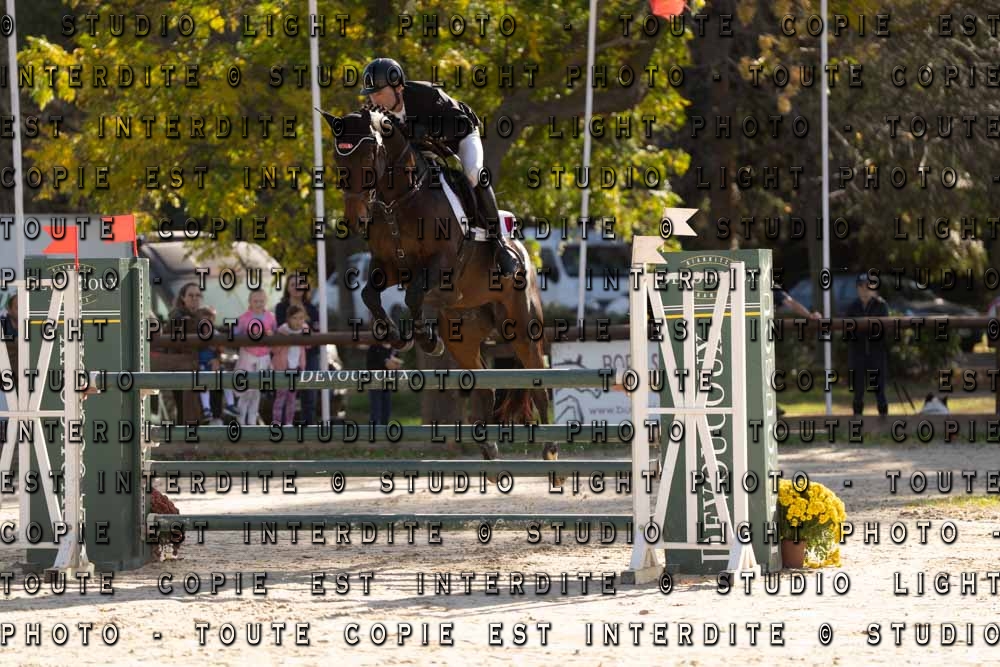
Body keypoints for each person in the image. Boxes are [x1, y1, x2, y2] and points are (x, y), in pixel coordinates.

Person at [359, 57, 521, 277]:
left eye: (378, 92)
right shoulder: (376, 113)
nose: (373, 99)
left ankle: (499, 245)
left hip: (459, 137)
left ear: (398, 87)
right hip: (426, 151)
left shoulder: (426, 95)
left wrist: (428, 129)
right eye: (370, 94)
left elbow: (459, 123)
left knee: (474, 173)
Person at [275, 276, 320, 424]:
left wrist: (305, 331)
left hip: (309, 355)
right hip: (286, 357)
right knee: (283, 394)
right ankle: (282, 427)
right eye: (293, 284)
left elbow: (315, 332)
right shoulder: (281, 307)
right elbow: (283, 329)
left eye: (300, 284)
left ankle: (308, 429)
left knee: (309, 394)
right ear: (287, 287)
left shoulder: (312, 308)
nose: (296, 287)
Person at [845, 273, 890, 417]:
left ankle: (884, 421)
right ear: (857, 289)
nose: (864, 290)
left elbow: (883, 330)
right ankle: (857, 421)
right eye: (861, 286)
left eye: (867, 287)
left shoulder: (881, 305)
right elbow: (848, 331)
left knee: (879, 390)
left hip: (876, 353)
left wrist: (864, 328)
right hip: (857, 353)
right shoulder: (852, 307)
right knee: (858, 391)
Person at [234, 291, 277, 425]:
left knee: (256, 392)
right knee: (245, 390)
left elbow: (275, 332)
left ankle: (252, 423)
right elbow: (235, 333)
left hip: (263, 357)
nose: (259, 304)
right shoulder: (244, 318)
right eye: (255, 301)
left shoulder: (271, 317)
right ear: (250, 302)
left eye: (261, 301)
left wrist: (271, 334)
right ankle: (240, 422)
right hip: (248, 356)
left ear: (266, 301)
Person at [270, 305, 310, 425]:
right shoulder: (282, 331)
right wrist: (285, 340)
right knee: (280, 397)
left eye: (301, 318)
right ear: (288, 319)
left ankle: (288, 423)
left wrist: (305, 336)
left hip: (296, 368)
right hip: (282, 369)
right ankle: (276, 423)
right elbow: (274, 350)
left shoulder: (305, 329)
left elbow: (309, 345)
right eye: (295, 318)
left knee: (292, 398)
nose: (298, 321)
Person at [366, 341, 401, 425]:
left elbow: (397, 363)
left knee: (386, 410)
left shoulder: (393, 348)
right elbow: (370, 365)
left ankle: (384, 430)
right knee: (376, 410)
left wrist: (395, 365)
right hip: (375, 382)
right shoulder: (374, 347)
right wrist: (386, 363)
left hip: (387, 382)